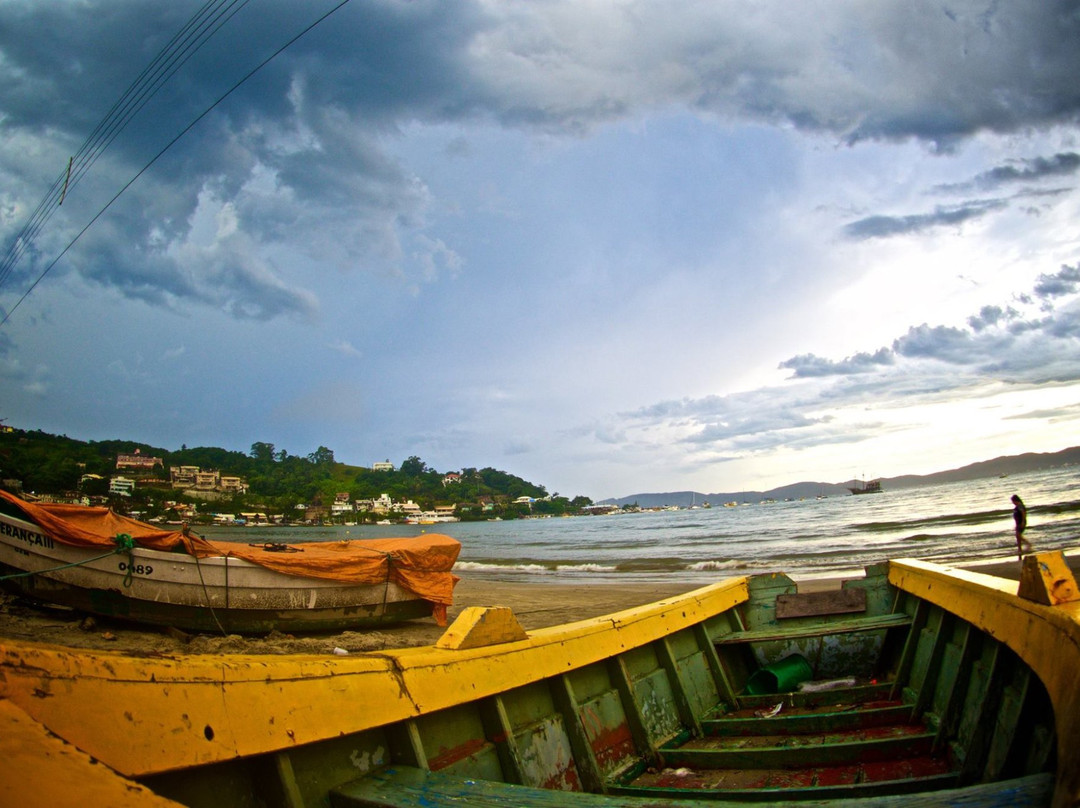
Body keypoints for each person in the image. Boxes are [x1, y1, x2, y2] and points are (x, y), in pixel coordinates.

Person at [1012, 494, 1032, 559]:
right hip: (1018, 523)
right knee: (1018, 536)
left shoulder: (1020, 506)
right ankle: (1020, 550)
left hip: (1021, 522)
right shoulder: (1017, 506)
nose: (1013, 503)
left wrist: (1023, 521)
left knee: (1018, 535)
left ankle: (1028, 543)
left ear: (1015, 500)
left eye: (1013, 501)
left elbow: (1023, 513)